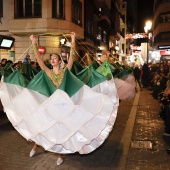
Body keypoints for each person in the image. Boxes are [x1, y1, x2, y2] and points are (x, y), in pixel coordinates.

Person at [29, 32, 75, 165]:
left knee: (59, 129)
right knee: (44, 126)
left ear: (60, 61)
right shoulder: (48, 72)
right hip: (50, 104)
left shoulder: (65, 71)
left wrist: (72, 39)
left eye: (55, 57)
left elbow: (72, 57)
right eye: (51, 58)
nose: (52, 59)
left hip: (62, 105)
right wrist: (33, 43)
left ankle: (60, 155)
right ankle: (35, 146)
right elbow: (39, 60)